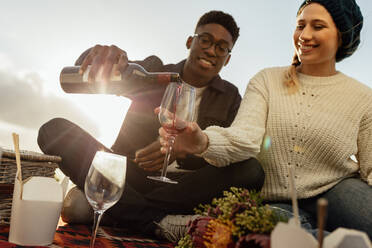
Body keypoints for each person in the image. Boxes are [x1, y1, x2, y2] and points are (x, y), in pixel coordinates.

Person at [38, 10, 265, 242]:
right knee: (53, 130)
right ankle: (160, 221)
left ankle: (119, 209)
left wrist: (185, 148)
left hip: (184, 188)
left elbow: (231, 149)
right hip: (129, 175)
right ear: (190, 41)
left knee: (252, 170)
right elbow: (94, 72)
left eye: (221, 47)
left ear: (227, 58)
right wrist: (101, 56)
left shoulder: (231, 96)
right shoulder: (153, 71)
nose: (211, 50)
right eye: (205, 40)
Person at [159, 0, 372, 238]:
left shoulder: (364, 98)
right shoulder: (267, 80)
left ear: (341, 37)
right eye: (301, 25)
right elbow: (246, 139)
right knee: (273, 235)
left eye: (318, 26)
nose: (305, 35)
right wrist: (202, 141)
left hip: (339, 191)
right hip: (276, 201)